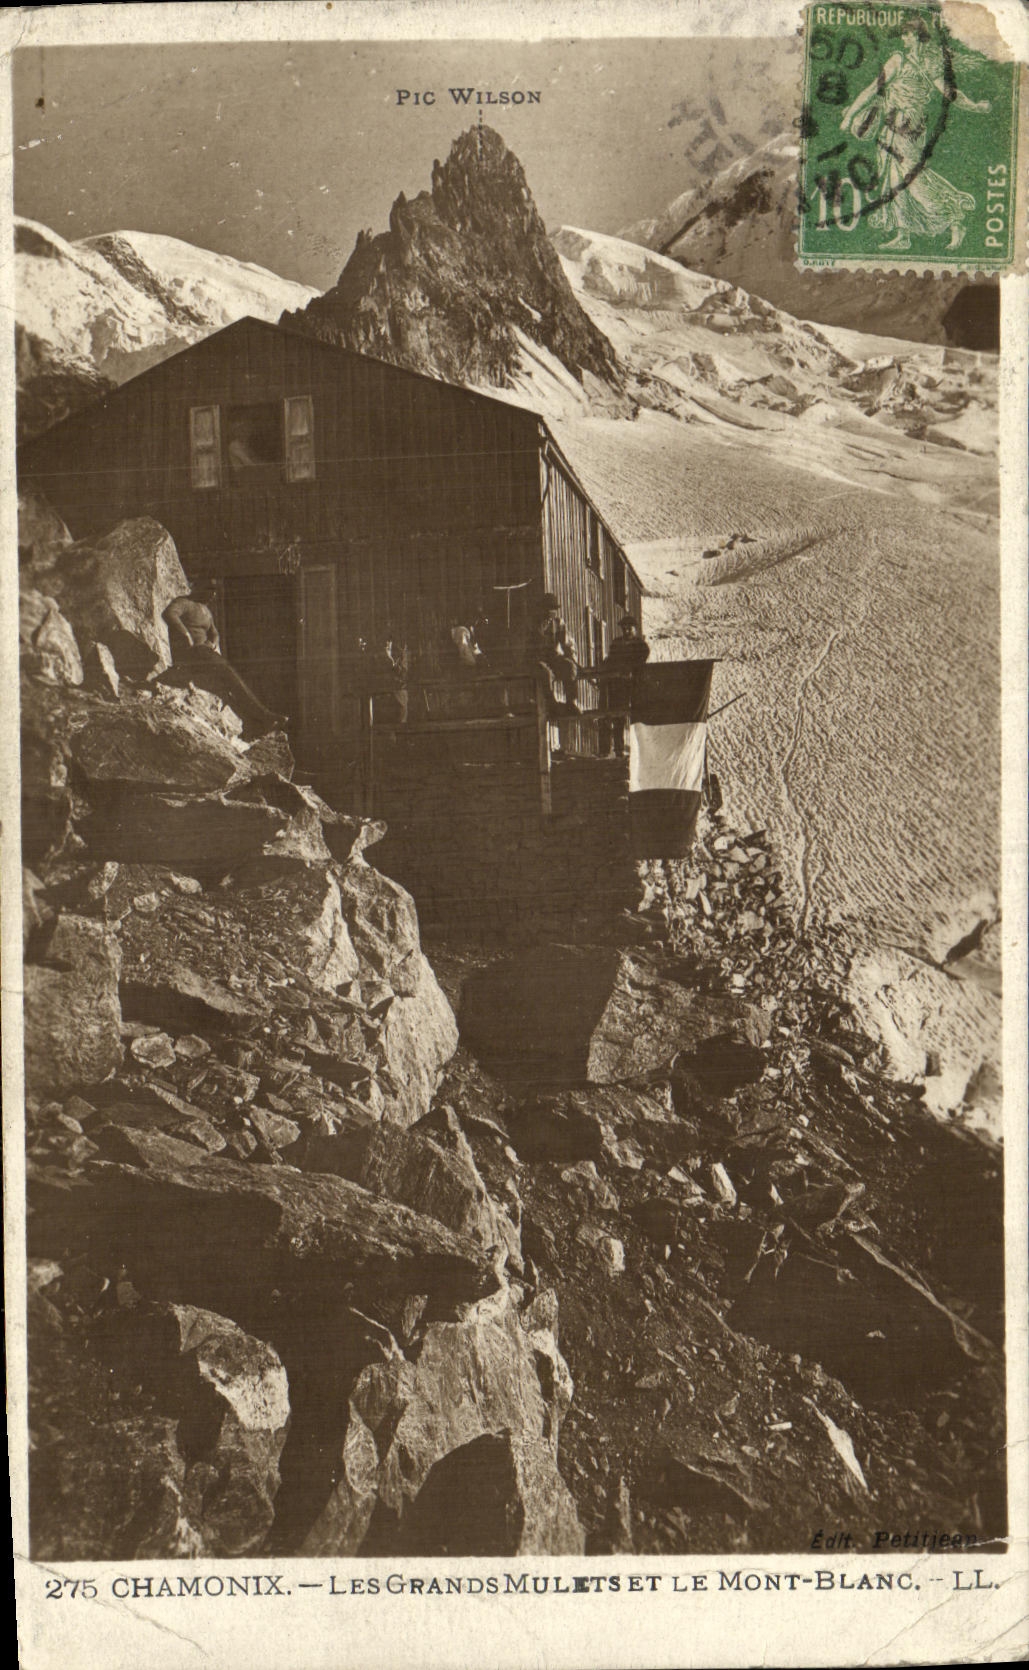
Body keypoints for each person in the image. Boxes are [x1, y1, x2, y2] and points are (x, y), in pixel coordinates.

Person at [838, 16, 990, 253]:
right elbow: (873, 88)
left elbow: (950, 93)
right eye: (903, 34)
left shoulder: (926, 64)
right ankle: (904, 234)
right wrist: (850, 115)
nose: (903, 38)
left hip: (910, 127)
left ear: (918, 36)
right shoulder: (897, 60)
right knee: (893, 179)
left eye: (907, 34)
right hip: (892, 125)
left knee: (912, 178)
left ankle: (954, 217)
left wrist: (975, 106)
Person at [158, 584, 287, 740]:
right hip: (190, 653)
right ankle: (264, 715)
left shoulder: (206, 610)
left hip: (204, 653)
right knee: (228, 672)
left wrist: (212, 643)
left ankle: (255, 723)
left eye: (214, 592)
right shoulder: (184, 602)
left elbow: (214, 633)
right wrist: (186, 635)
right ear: (198, 587)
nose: (212, 595)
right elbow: (169, 614)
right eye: (209, 590)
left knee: (227, 684)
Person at [598, 614, 650, 757]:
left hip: (634, 686)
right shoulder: (616, 644)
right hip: (618, 686)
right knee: (618, 717)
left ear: (635, 629)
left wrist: (630, 668)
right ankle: (619, 750)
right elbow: (610, 660)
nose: (626, 631)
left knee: (637, 717)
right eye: (624, 629)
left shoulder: (640, 645)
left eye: (629, 629)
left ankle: (641, 750)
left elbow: (641, 660)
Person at [533, 592, 579, 714]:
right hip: (537, 659)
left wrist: (572, 659)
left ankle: (571, 702)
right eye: (548, 609)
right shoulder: (533, 624)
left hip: (553, 657)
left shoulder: (558, 623)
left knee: (569, 666)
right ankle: (551, 704)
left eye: (553, 609)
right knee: (545, 672)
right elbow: (526, 647)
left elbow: (567, 645)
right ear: (543, 609)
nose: (551, 612)